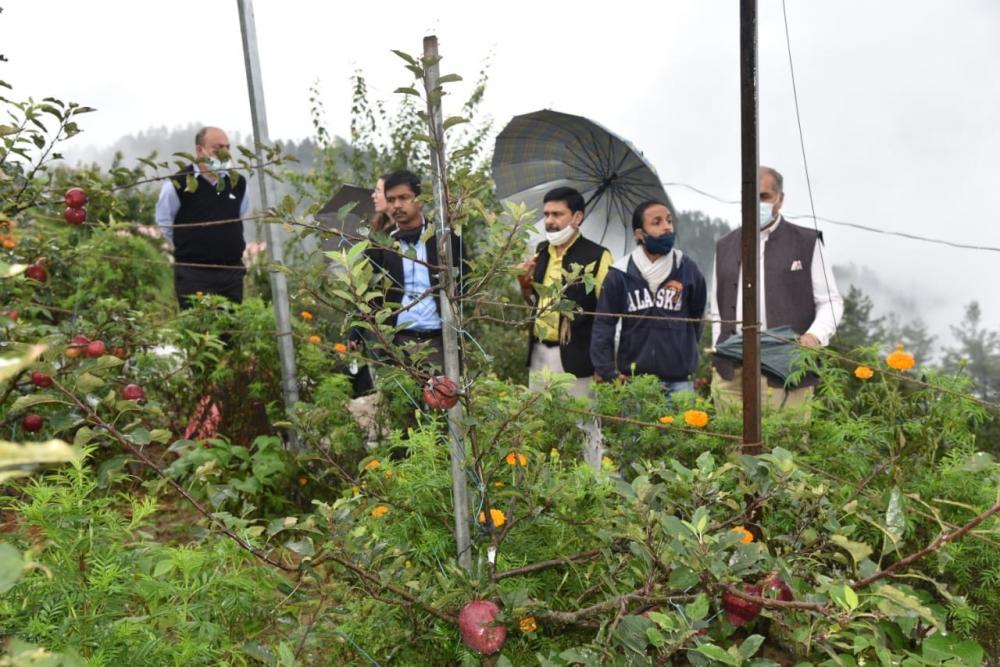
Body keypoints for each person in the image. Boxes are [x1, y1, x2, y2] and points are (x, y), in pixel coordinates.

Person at [708, 166, 843, 411]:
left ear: (780, 200)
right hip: (731, 371)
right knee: (730, 444)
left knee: (787, 445)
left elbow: (831, 301)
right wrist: (718, 345)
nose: (755, 203)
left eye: (764, 197)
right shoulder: (724, 246)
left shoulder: (806, 242)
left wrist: (814, 336)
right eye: (750, 197)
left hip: (786, 368)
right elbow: (717, 309)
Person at [520, 186, 612, 469]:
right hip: (539, 351)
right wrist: (524, 283)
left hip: (577, 354)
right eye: (547, 214)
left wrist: (602, 363)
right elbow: (534, 302)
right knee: (540, 422)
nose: (550, 221)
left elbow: (605, 314)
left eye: (557, 214)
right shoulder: (541, 252)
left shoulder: (597, 255)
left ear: (577, 217)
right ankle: (545, 484)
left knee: (583, 424)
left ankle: (590, 483)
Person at [591, 200, 707, 396]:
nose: (666, 227)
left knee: (679, 427)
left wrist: (683, 351)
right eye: (657, 222)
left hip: (679, 379)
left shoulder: (687, 268)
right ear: (640, 234)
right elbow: (604, 324)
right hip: (634, 380)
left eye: (669, 221)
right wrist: (607, 370)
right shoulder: (620, 274)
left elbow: (697, 317)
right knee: (637, 428)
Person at [362, 169, 465, 373]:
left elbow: (463, 280)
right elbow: (371, 292)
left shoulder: (445, 238)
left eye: (404, 198)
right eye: (391, 200)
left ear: (420, 200)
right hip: (399, 340)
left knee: (445, 398)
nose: (397, 205)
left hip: (440, 338)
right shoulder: (380, 243)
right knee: (401, 401)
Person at [156, 126, 249, 309]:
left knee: (230, 331)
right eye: (217, 148)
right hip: (193, 274)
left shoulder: (237, 182)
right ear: (200, 150)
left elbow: (239, 214)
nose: (224, 154)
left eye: (227, 148)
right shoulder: (179, 183)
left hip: (231, 274)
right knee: (197, 327)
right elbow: (166, 224)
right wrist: (192, 244)